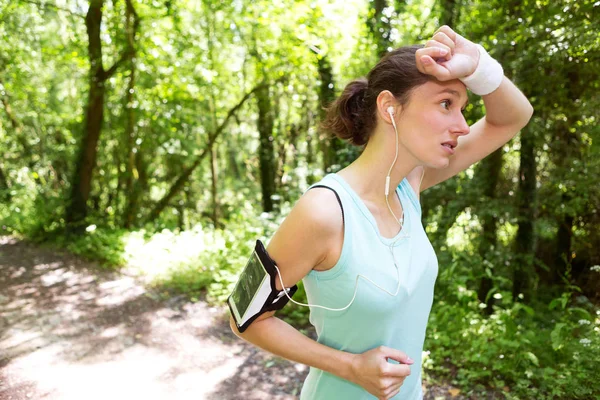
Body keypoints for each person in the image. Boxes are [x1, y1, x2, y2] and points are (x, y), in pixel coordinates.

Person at [230, 25, 533, 400]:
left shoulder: (409, 186)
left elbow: (513, 117)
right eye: (445, 104)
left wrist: (477, 65)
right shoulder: (325, 211)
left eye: (462, 108)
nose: (462, 125)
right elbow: (245, 316)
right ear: (390, 107)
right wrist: (351, 367)